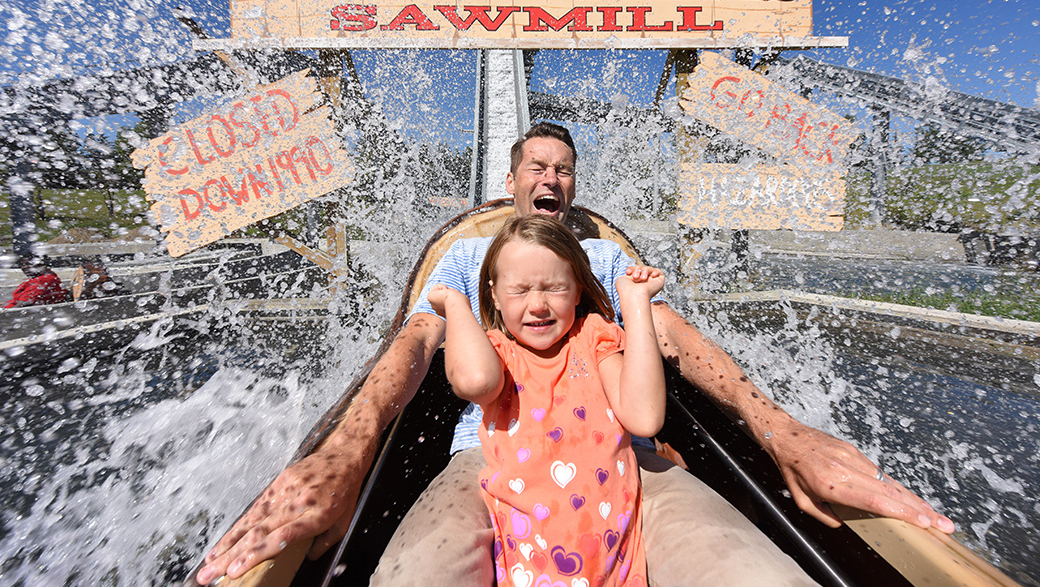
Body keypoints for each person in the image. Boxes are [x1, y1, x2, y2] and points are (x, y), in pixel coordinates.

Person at [196, 122, 954, 586]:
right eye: (537, 167)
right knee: (411, 574)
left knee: (755, 573)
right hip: (489, 458)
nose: (550, 178)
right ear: (513, 181)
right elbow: (418, 343)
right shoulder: (467, 258)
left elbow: (672, 336)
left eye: (563, 169)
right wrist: (349, 451)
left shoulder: (602, 260)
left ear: (572, 186)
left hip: (624, 456)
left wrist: (781, 430)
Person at [427, 215, 666, 587]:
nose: (537, 305)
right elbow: (475, 382)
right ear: (494, 295)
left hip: (615, 563)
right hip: (531, 562)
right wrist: (456, 305)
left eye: (554, 287)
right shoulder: (497, 353)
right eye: (520, 291)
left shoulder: (594, 338)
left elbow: (645, 418)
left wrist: (635, 305)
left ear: (577, 290)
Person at [5, 254, 69, 308]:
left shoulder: (44, 279)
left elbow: (25, 303)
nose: (24, 267)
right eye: (23, 264)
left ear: (40, 265)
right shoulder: (36, 277)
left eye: (29, 264)